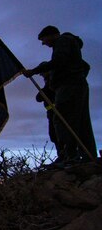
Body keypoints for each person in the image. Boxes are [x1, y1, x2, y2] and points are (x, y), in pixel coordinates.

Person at [24, 25, 97, 165]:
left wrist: (34, 71)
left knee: (62, 120)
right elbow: (84, 66)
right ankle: (87, 156)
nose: (43, 43)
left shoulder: (63, 42)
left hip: (69, 87)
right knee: (80, 121)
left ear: (51, 35)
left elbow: (58, 62)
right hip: (75, 86)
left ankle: (70, 155)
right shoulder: (70, 45)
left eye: (43, 40)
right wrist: (79, 77)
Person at [36, 72, 60, 154]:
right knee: (54, 135)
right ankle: (62, 155)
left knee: (58, 134)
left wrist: (43, 91)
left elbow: (39, 97)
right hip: (51, 112)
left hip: (57, 111)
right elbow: (38, 98)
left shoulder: (53, 83)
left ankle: (65, 155)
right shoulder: (48, 84)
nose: (42, 76)